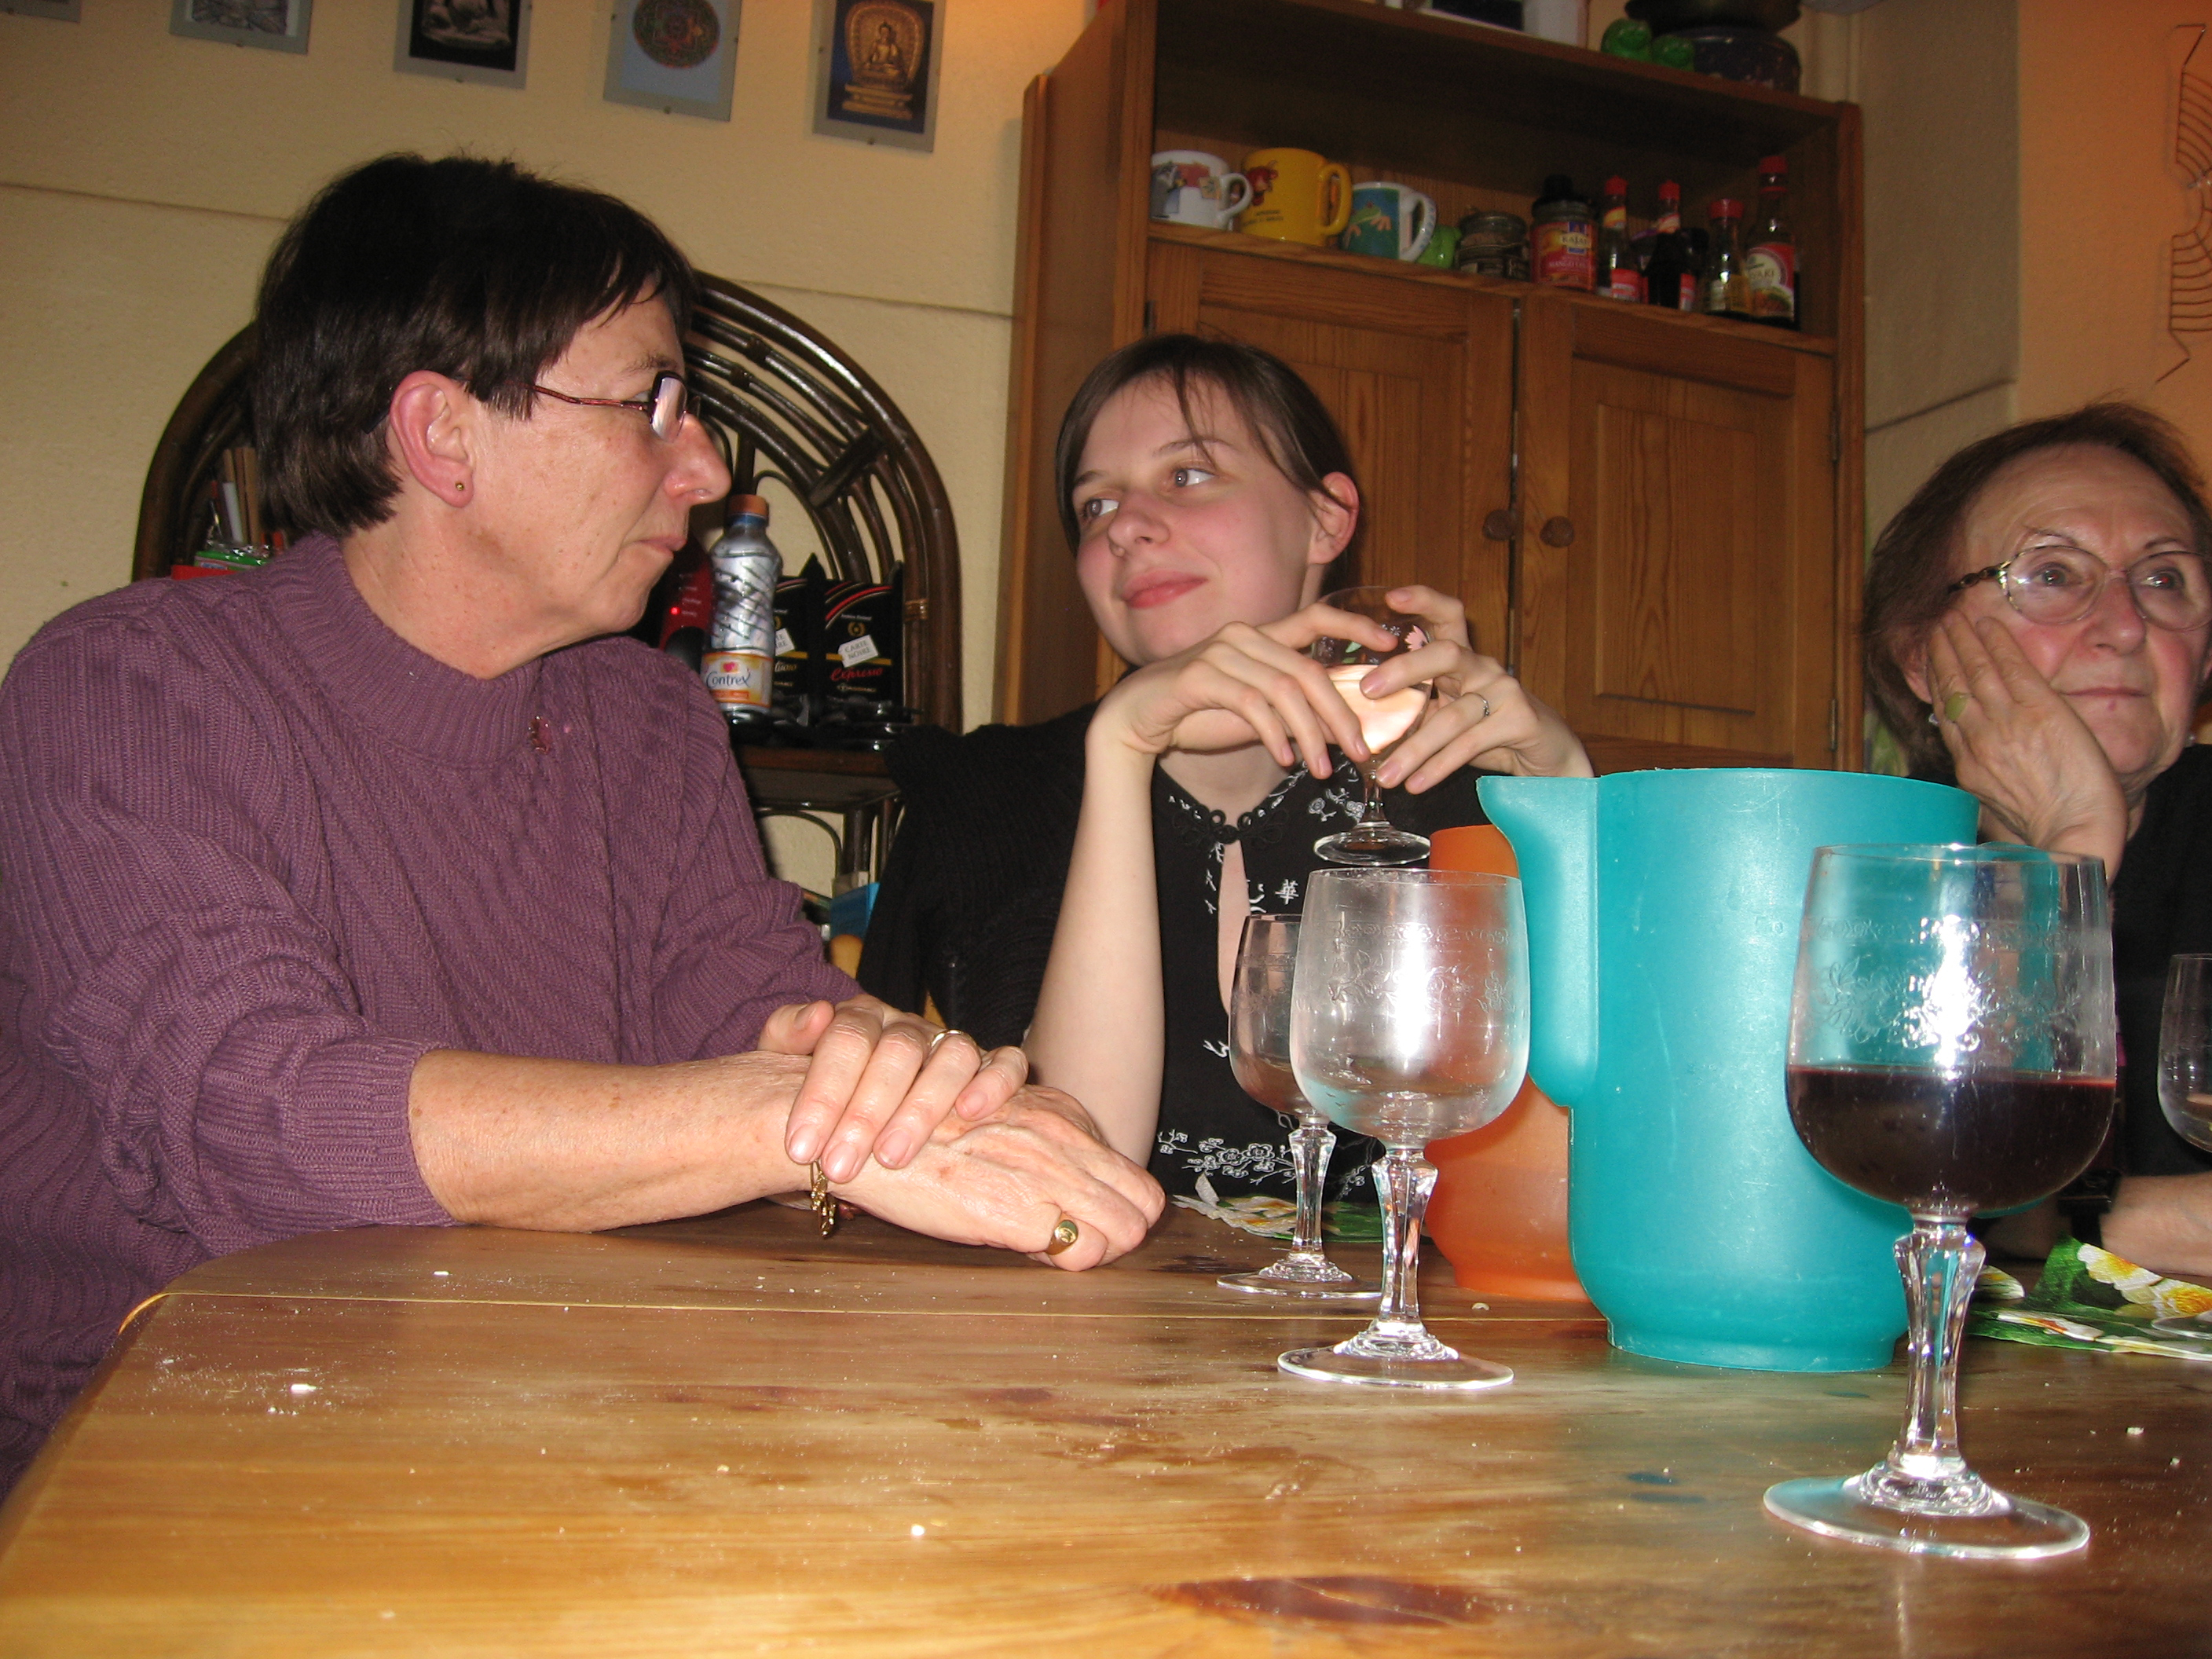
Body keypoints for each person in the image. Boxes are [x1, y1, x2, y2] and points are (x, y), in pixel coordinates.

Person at [0, 155, 1160, 1496]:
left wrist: (920, 1090)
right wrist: (791, 1117)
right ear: (442, 435)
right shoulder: (129, 685)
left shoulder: (647, 718)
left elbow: (767, 1017)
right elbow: (252, 1115)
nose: (706, 468)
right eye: (650, 402)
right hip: (148, 1464)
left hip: (547, 1422)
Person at [862, 335, 1590, 1203]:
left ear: (1326, 520)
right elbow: (1070, 1175)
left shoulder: (1445, 792)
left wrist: (1565, 799)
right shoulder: (981, 795)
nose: (1125, 525)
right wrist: (1121, 748)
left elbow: (1609, 1142)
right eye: (1095, 506)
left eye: (1187, 474)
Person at [1865, 401, 2212, 1276]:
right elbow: (1864, 1201)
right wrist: (2072, 847)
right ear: (1920, 657)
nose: (2125, 625)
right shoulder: (1859, 880)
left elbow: (1970, 1216)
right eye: (2053, 574)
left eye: (2165, 579)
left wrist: (2070, 1224)